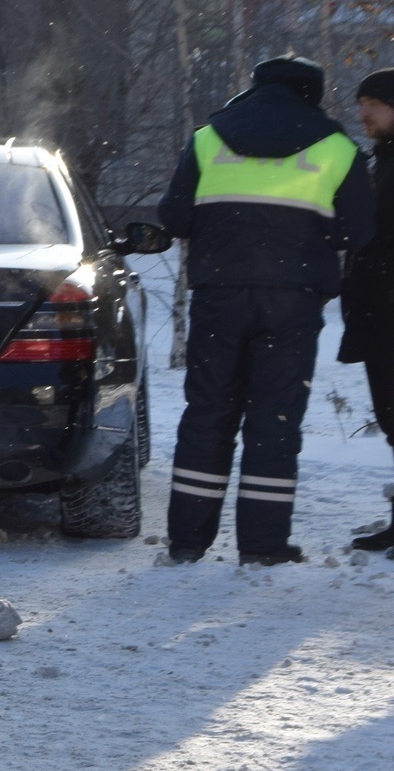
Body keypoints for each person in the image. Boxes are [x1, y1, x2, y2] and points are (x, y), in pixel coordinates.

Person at [159, 54, 375, 565]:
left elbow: (173, 217)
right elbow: (356, 232)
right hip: (293, 300)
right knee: (274, 419)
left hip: (219, 295)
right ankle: (262, 546)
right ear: (312, 94)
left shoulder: (208, 138)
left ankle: (187, 542)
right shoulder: (339, 148)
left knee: (208, 413)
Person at [344, 68, 394, 550]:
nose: (364, 113)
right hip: (380, 313)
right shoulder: (384, 159)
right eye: (362, 102)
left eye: (373, 103)